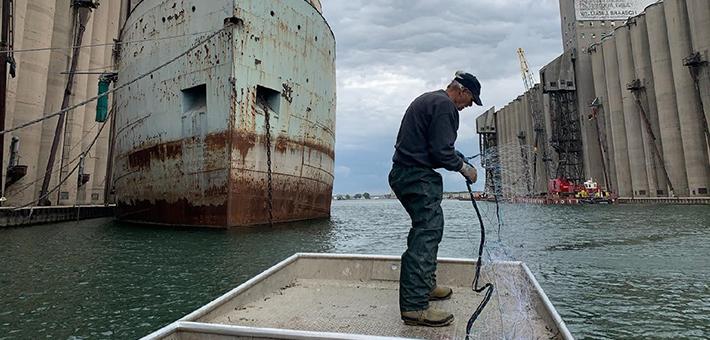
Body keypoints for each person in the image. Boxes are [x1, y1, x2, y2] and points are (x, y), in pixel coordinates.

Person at [389, 71, 482, 327]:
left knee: (426, 230)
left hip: (405, 174)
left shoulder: (431, 100)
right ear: (461, 91)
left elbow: (438, 146)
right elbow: (441, 152)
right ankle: (415, 307)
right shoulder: (445, 106)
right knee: (427, 232)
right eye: (470, 100)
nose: (468, 107)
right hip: (415, 177)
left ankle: (426, 286)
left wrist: (459, 158)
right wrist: (464, 168)